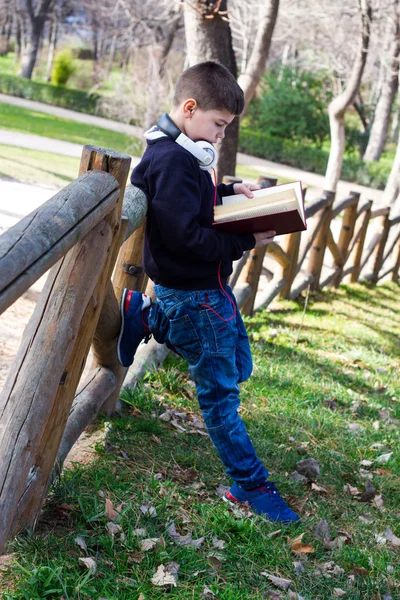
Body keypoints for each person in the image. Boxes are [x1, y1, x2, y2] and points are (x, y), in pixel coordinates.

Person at [117, 61, 300, 524]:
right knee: (220, 397)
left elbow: (194, 204)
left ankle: (150, 318)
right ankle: (251, 486)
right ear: (190, 107)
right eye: (218, 125)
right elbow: (184, 237)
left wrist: (236, 191)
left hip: (206, 294)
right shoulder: (171, 160)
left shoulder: (185, 153)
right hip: (195, 296)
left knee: (239, 364)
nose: (220, 136)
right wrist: (244, 241)